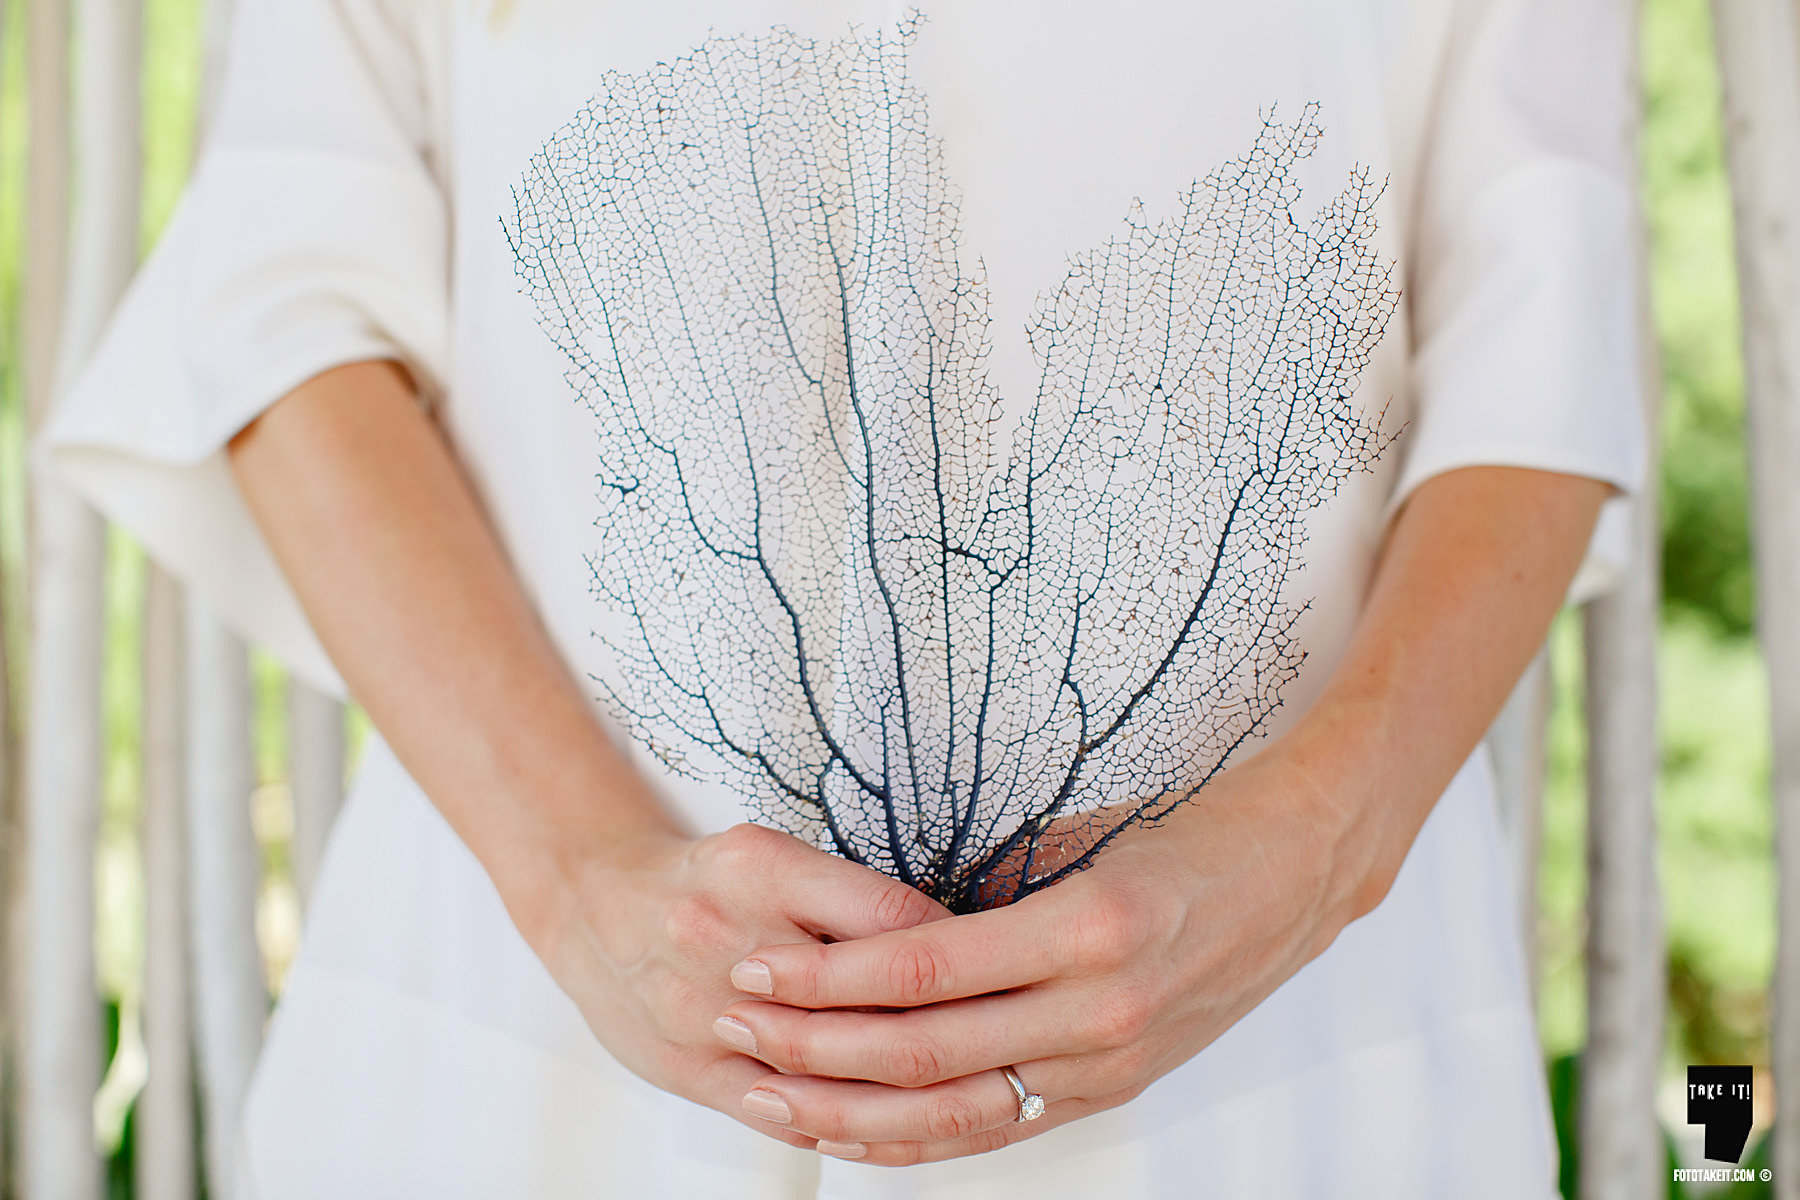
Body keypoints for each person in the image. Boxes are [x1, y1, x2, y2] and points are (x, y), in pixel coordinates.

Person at [38, 0, 1646, 1195]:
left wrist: (1312, 857)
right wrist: (578, 874)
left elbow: (1539, 330)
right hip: (538, 1024)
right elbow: (284, 302)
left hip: (1270, 1050)